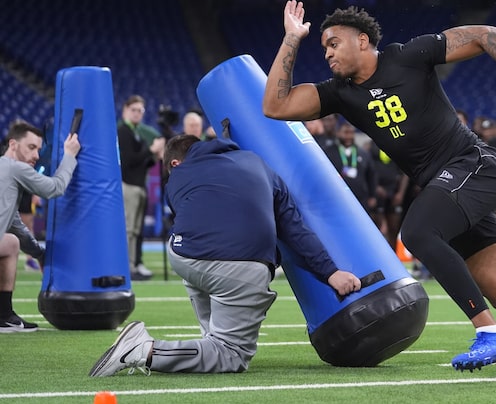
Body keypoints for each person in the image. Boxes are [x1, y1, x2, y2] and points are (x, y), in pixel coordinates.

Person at [261, 0, 496, 372]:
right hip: (449, 189)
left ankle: (490, 335)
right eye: (323, 48)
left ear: (362, 41)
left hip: (474, 166)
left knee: (417, 232)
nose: (328, 53)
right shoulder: (339, 92)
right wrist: (291, 39)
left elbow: (485, 34)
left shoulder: (407, 56)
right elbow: (275, 106)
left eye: (333, 43)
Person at [89, 134, 361, 376]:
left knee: (196, 254)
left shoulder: (178, 178)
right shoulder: (257, 162)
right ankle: (143, 350)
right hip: (240, 266)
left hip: (183, 255)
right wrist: (330, 272)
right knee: (231, 356)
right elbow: (293, 228)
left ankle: (207, 341)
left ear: (174, 163)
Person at [1, 121, 80, 332]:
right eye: (31, 147)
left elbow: (14, 224)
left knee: (9, 243)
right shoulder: (15, 167)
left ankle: (3, 315)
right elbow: (55, 188)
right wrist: (70, 155)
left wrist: (38, 253)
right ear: (13, 145)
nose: (36, 155)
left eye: (38, 149)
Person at [117, 95, 165, 280]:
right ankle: (128, 267)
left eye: (140, 111)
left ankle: (135, 263)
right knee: (129, 229)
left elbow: (141, 164)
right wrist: (151, 150)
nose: (137, 114)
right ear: (125, 110)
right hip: (128, 184)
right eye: (134, 110)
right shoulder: (124, 131)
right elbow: (129, 161)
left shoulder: (135, 132)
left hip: (138, 184)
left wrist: (152, 157)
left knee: (135, 229)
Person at [324, 121, 377, 214]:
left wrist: (372, 195)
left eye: (351, 133)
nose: (348, 136)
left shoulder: (363, 153)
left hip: (360, 200)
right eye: (345, 132)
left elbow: (371, 175)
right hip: (336, 200)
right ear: (338, 132)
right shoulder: (328, 152)